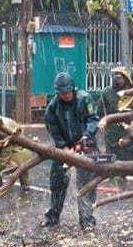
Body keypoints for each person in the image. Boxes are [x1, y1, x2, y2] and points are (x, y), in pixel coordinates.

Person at [41, 72, 99, 230]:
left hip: (86, 144)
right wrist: (63, 147)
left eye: (68, 92)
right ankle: (52, 216)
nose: (66, 96)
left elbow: (93, 119)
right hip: (64, 146)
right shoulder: (53, 106)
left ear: (73, 89)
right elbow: (52, 128)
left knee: (86, 184)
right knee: (57, 181)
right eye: (62, 93)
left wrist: (87, 136)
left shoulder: (84, 99)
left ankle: (87, 219)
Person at [97, 66, 133, 163]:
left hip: (128, 128)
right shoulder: (106, 92)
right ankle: (113, 175)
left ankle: (128, 174)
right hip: (112, 130)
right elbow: (101, 112)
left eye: (123, 77)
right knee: (113, 157)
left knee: (128, 154)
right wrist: (103, 124)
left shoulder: (132, 92)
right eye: (117, 77)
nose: (120, 80)